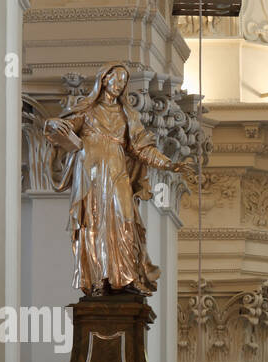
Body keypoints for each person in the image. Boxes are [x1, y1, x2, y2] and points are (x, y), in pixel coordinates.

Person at [46, 63, 196, 296]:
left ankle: (127, 276)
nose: (119, 84)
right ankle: (97, 279)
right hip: (90, 175)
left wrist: (170, 164)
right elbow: (60, 127)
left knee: (125, 220)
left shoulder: (128, 116)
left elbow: (141, 149)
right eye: (116, 78)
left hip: (116, 172)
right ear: (104, 80)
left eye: (124, 80)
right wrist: (54, 124)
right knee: (92, 224)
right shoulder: (87, 111)